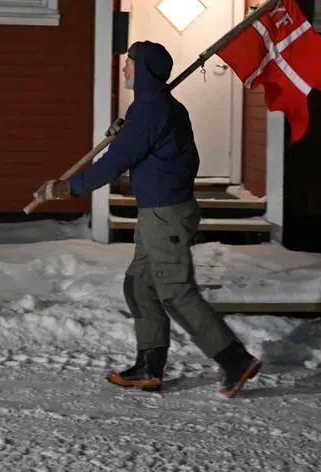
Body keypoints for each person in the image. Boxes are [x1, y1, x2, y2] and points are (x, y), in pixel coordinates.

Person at [33, 40, 261, 398]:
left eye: (129, 63)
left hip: (165, 215)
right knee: (139, 286)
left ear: (144, 70)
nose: (124, 69)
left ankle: (235, 360)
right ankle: (149, 368)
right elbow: (144, 149)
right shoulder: (158, 108)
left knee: (175, 292)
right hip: (158, 214)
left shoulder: (151, 110)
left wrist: (68, 189)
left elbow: (114, 163)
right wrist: (126, 134)